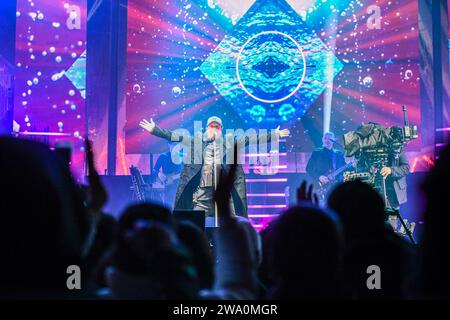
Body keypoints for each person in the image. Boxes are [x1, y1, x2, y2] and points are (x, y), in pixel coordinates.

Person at [139, 116, 290, 219]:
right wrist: (154, 130)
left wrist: (274, 135)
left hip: (224, 194)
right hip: (203, 195)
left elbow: (252, 138)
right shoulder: (195, 141)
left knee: (231, 225)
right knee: (197, 225)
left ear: (221, 130)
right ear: (206, 128)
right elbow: (173, 136)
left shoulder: (230, 142)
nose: (214, 129)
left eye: (217, 127)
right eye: (212, 126)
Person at [306, 131, 348, 200]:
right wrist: (319, 177)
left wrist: (352, 164)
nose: (327, 140)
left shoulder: (339, 154)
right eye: (325, 138)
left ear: (333, 140)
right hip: (321, 186)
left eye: (330, 139)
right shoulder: (317, 153)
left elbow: (345, 169)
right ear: (322, 140)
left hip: (337, 186)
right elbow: (308, 168)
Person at [150, 141, 182, 210]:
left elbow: (184, 172)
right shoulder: (163, 156)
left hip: (178, 185)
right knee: (168, 205)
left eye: (177, 145)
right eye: (173, 145)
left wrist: (172, 177)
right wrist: (160, 174)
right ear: (169, 145)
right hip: (167, 185)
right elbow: (155, 170)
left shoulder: (181, 157)